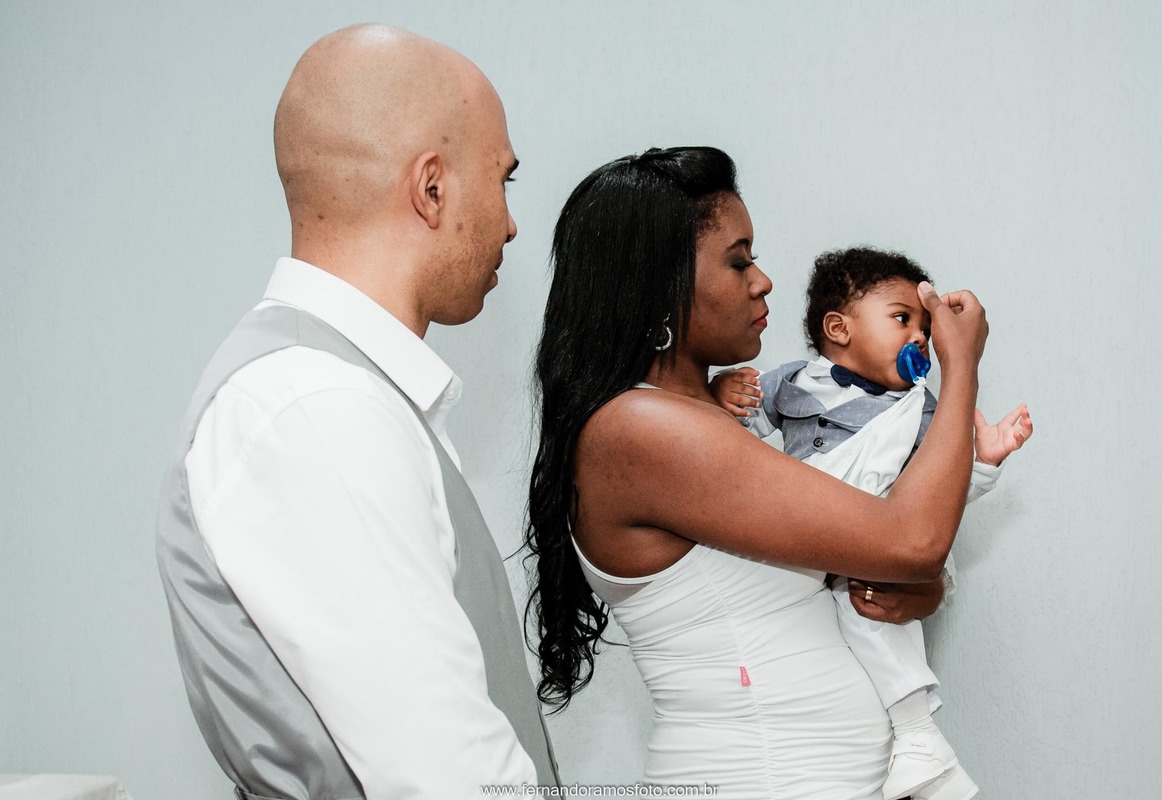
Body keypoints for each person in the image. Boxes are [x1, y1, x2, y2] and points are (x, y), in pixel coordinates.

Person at [156, 24, 557, 800]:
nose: (511, 222)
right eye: (502, 179)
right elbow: (450, 778)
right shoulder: (317, 406)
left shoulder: (333, 393)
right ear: (431, 188)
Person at [525, 147, 989, 800]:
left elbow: (878, 550)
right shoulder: (643, 428)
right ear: (660, 284)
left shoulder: (723, 420)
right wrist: (961, 367)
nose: (764, 280)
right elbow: (911, 539)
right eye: (738, 260)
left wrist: (921, 588)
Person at [710, 247, 1032, 800]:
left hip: (868, 551)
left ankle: (918, 735)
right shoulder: (790, 382)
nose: (920, 338)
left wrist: (984, 460)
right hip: (798, 542)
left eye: (926, 328)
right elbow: (728, 439)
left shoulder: (921, 411)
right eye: (903, 319)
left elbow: (941, 497)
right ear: (839, 328)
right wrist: (722, 394)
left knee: (875, 618)